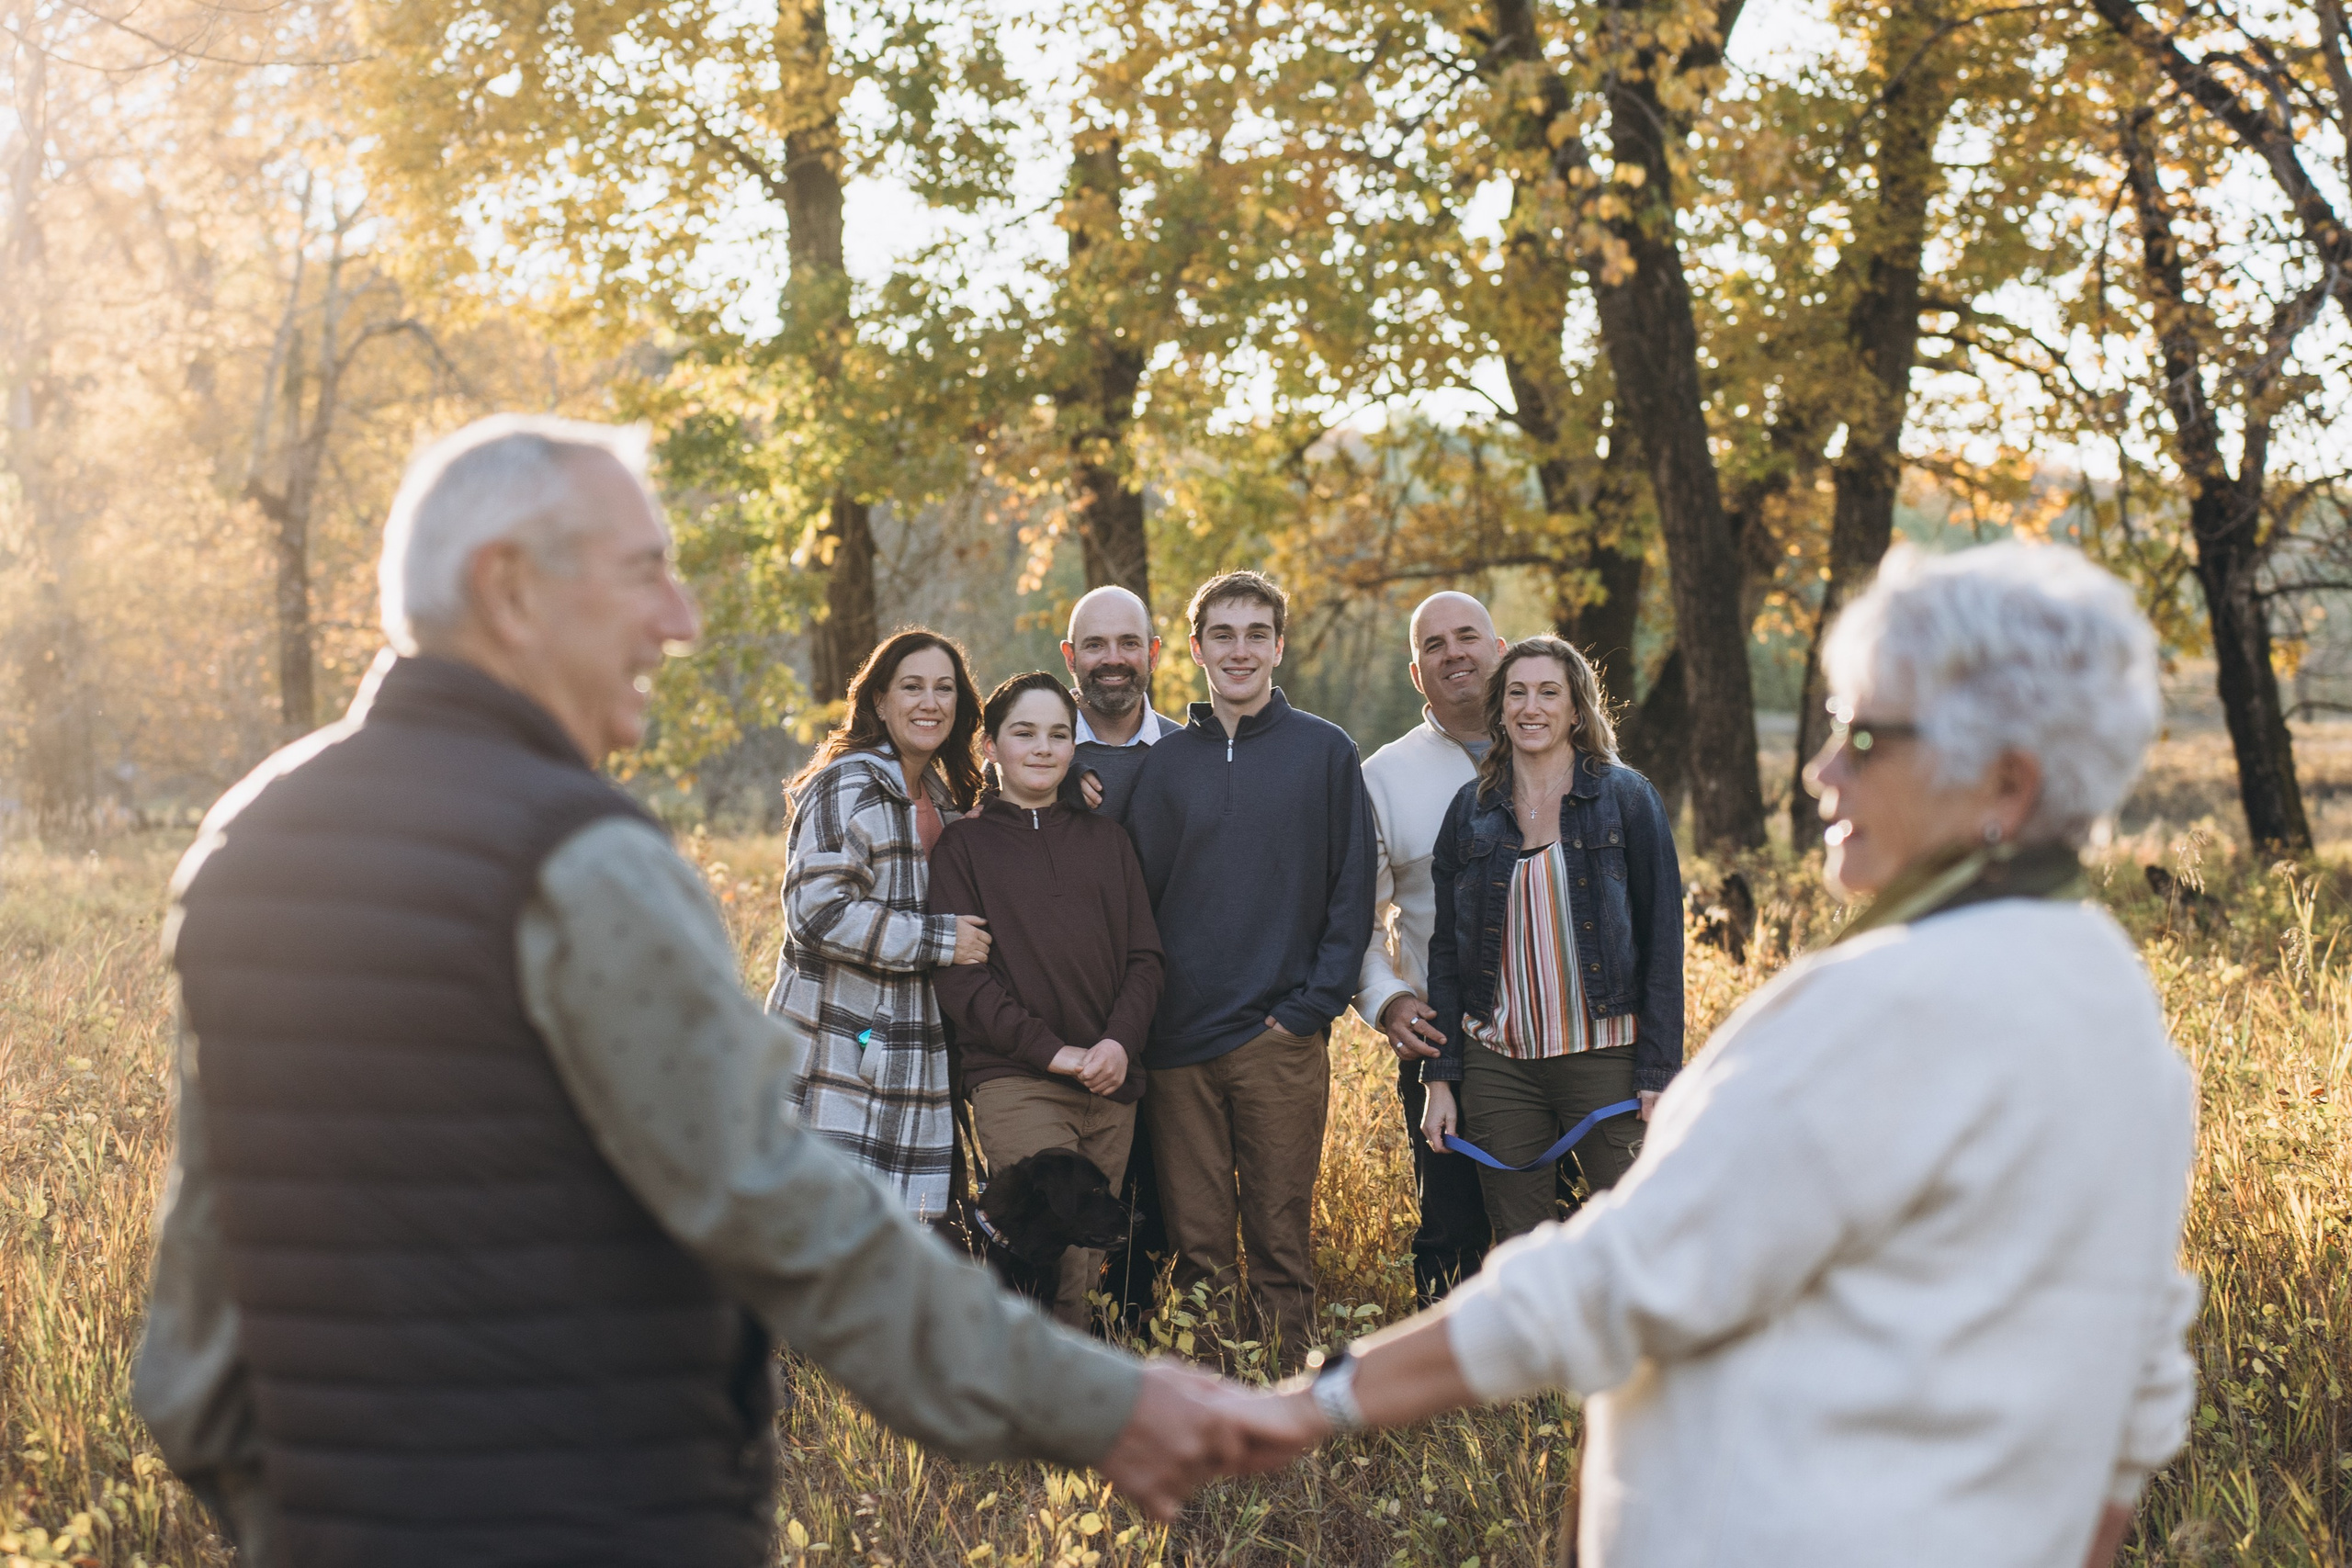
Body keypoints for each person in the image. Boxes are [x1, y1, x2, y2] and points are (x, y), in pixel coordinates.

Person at [131, 415, 1317, 1566]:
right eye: (645, 572)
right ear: (509, 588)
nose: (682, 619)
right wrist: (1102, 1400)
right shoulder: (580, 858)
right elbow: (800, 1218)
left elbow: (190, 1351)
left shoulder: (248, 840)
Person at [1267, 543, 2198, 1568]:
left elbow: (1621, 1274)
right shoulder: (2109, 988)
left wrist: (1308, 1407)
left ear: (2005, 785)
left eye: (1865, 736)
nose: (1820, 770)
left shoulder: (1883, 1004)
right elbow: (2136, 1383)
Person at [1123, 570, 1376, 1369]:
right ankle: (1210, 1421)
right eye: (1222, 635)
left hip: (1280, 1037)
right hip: (1177, 1048)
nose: (1240, 650)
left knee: (1278, 1241)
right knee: (1198, 1249)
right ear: (1194, 649)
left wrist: (1312, 1006)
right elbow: (1137, 902)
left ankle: (1288, 1416)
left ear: (1277, 643)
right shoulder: (1166, 766)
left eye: (1255, 633)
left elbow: (1353, 889)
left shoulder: (1326, 752)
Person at [1419, 635, 1683, 1243]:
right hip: (1499, 1067)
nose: (1530, 706)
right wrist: (1441, 1078)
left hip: (1607, 1059)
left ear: (1576, 709)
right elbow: (1447, 954)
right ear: (1500, 709)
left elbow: (1664, 943)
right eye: (1516, 692)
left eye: (1548, 692)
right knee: (1520, 1248)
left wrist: (1659, 1071)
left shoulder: (1626, 799)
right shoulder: (1471, 810)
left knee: (1638, 1235)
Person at [928, 671, 1164, 1327]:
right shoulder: (964, 847)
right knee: (1040, 1268)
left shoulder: (1107, 841)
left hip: (1111, 1083)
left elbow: (1145, 958)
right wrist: (1055, 1053)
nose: (1042, 747)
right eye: (1024, 732)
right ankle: (1026, 1419)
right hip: (1019, 1080)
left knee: (1086, 1267)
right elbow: (963, 981)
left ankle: (1078, 1418)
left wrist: (1117, 1042)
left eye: (1059, 734)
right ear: (989, 746)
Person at [768, 628, 989, 1220]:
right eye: (912, 687)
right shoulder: (851, 785)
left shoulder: (943, 798)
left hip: (914, 1055)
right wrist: (941, 940)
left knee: (902, 1242)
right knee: (830, 1229)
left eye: (944, 689)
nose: (930, 702)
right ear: (879, 701)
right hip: (843, 1049)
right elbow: (816, 913)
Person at [1354, 591, 1506, 1303]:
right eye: (1434, 645)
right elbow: (1352, 919)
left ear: (1499, 648)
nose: (1454, 653)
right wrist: (1388, 1002)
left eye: (1467, 635)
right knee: (1453, 1232)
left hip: (1566, 1039)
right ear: (1418, 673)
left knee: (1565, 1215)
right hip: (1444, 1043)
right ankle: (1451, 1405)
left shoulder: (1564, 748)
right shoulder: (1383, 777)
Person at [1063, 584, 1181, 819]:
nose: (1114, 659)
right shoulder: (1029, 753)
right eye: (1095, 645)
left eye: (1129, 643)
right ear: (1071, 657)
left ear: (1153, 654)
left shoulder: (1185, 753)